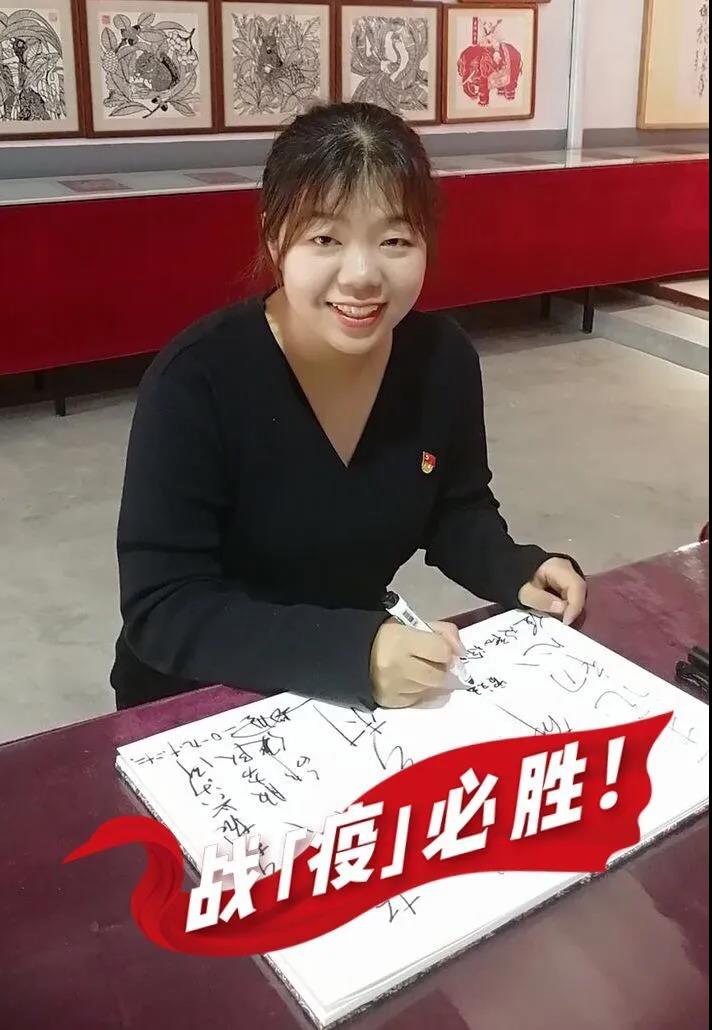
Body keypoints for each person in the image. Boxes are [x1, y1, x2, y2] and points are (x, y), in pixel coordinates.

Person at [110, 101, 586, 712]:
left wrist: (515, 569)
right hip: (198, 700)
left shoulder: (441, 360)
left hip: (352, 691)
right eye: (325, 238)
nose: (362, 275)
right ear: (275, 237)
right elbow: (163, 606)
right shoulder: (197, 380)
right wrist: (351, 653)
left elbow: (454, 506)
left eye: (394, 240)